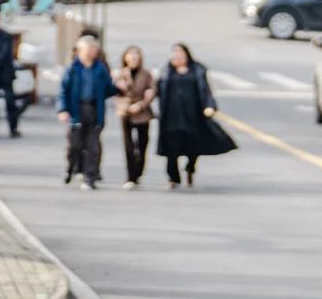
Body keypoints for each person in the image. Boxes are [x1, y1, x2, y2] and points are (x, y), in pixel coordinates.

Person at [156, 43, 236, 189]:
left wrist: (210, 106)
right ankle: (173, 178)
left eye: (180, 53)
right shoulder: (167, 71)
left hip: (192, 116)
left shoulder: (197, 70)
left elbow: (206, 91)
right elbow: (157, 89)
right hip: (172, 117)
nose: (177, 56)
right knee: (171, 149)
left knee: (193, 147)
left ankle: (190, 167)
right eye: (175, 53)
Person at [58, 33, 118, 190]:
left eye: (94, 48)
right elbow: (63, 91)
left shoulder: (100, 68)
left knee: (93, 146)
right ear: (80, 50)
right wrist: (63, 110)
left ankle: (89, 176)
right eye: (88, 48)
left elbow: (108, 89)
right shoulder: (73, 68)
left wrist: (119, 87)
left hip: (94, 110)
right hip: (77, 109)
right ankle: (71, 168)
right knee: (75, 145)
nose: (92, 51)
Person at [113, 45, 156, 189]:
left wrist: (141, 105)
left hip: (142, 112)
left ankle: (139, 170)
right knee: (128, 145)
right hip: (126, 112)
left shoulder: (146, 74)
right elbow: (114, 93)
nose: (133, 59)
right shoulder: (121, 74)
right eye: (130, 57)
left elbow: (151, 91)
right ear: (125, 58)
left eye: (136, 57)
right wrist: (119, 89)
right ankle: (130, 176)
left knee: (142, 144)